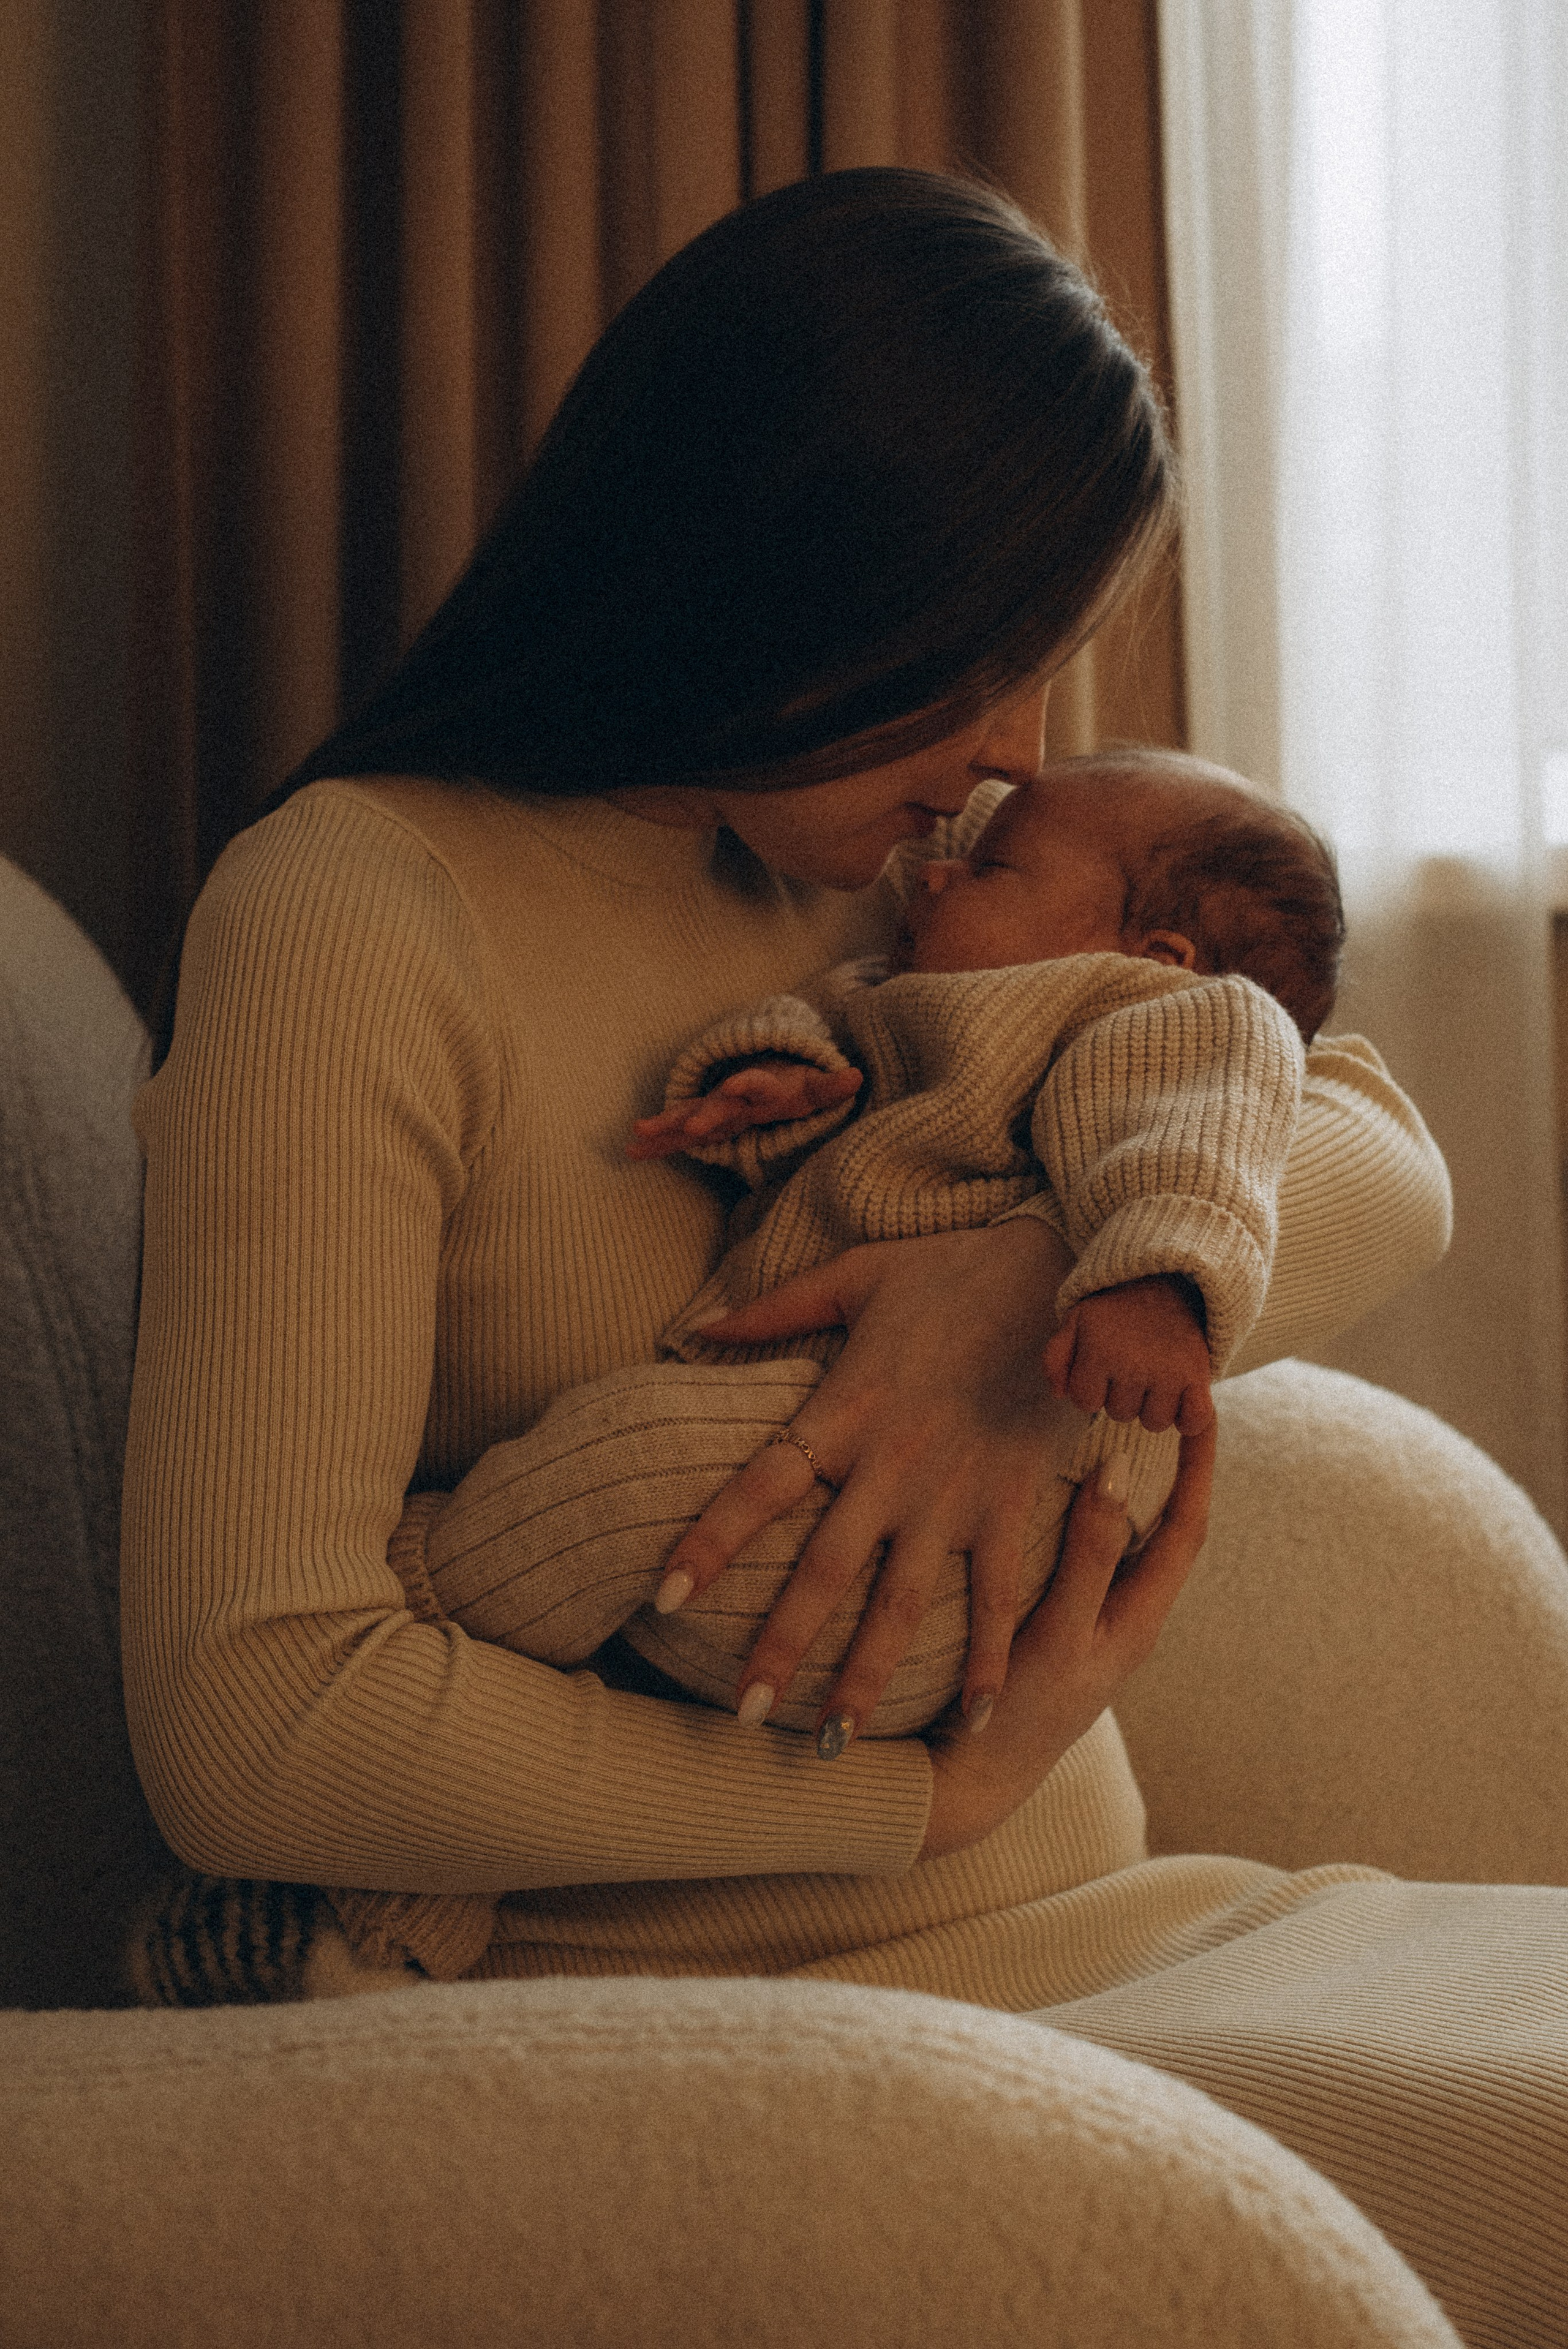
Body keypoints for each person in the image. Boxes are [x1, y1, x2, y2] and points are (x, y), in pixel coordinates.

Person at [121, 170, 1564, 2345]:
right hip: (801, 2027)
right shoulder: (353, 919)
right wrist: (910, 1791)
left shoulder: (871, 885)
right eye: (968, 658)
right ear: (768, 554)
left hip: (1117, 1908)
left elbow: (1353, 1123)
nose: (1011, 750)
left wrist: (1010, 1297)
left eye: (1044, 663)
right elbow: (252, 1715)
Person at [401, 750, 1335, 1752]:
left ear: (1158, 959)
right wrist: (787, 1075)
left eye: (991, 870)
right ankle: (424, 1811)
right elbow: (844, 1031)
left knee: (619, 1463)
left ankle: (410, 1608)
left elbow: (1204, 1137)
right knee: (613, 1505)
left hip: (960, 1536)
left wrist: (1157, 1286)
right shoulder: (924, 982)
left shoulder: (1166, 1018)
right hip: (839, 1466)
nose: (938, 870)